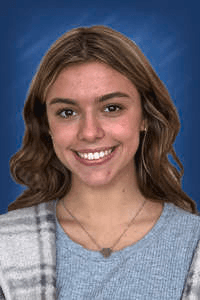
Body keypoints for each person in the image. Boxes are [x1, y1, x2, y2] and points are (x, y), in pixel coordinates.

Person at [0, 25, 199, 300]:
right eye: (67, 112)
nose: (90, 132)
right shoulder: (5, 246)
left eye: (111, 108)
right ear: (46, 124)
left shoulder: (193, 244)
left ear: (145, 116)